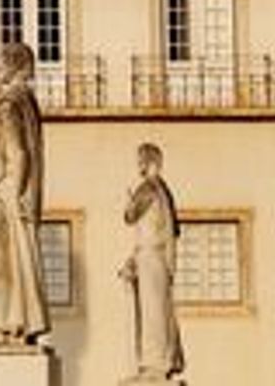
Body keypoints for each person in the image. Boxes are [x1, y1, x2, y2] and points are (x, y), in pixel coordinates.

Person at [0, 41, 50, 344]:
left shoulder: (7, 105)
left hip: (7, 188)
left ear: (13, 66)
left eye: (3, 62)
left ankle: (9, 322)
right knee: (21, 258)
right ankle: (20, 321)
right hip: (21, 190)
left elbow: (18, 152)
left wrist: (10, 191)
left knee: (4, 260)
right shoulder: (29, 103)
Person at [122, 143, 186, 380]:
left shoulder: (148, 188)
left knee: (151, 312)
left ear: (150, 163)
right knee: (158, 309)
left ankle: (153, 364)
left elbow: (129, 216)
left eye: (141, 160)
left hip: (149, 255)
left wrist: (128, 201)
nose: (138, 166)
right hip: (158, 256)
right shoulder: (165, 192)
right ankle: (161, 360)